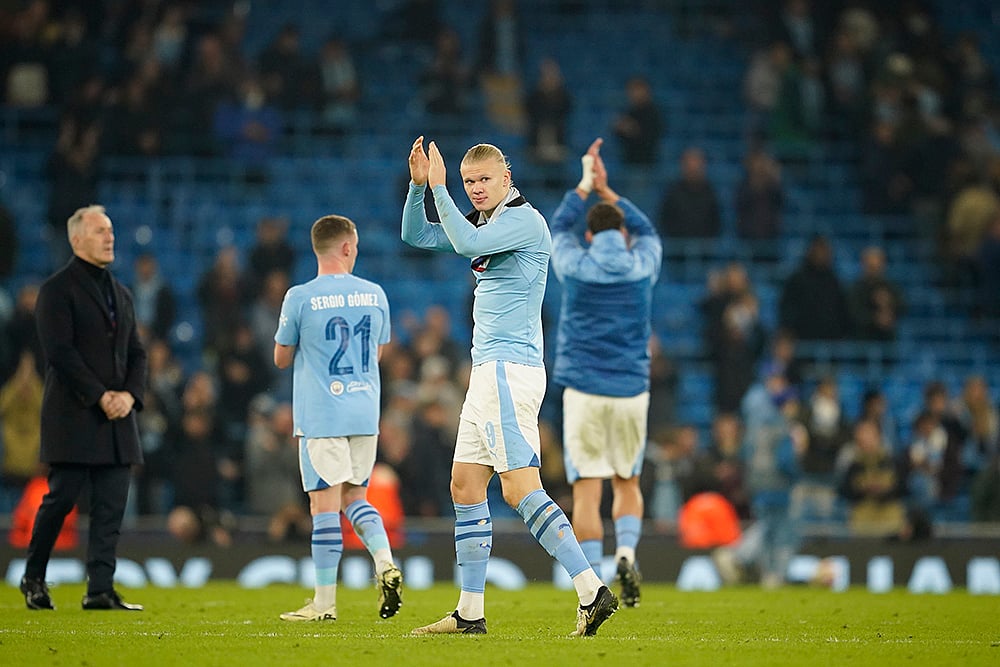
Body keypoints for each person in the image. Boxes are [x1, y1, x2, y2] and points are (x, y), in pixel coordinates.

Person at [402, 136, 617, 636]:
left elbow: (465, 245)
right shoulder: (485, 222)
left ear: (507, 178)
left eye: (484, 180)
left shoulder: (524, 221)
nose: (475, 188)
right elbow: (417, 235)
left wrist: (441, 189)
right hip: (488, 371)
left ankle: (591, 590)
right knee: (464, 483)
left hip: (508, 369)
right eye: (468, 181)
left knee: (520, 488)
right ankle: (469, 613)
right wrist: (418, 188)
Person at [549, 137, 662, 608]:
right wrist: (608, 191)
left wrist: (583, 185)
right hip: (631, 389)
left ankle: (595, 584)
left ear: (591, 237)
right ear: (623, 233)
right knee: (627, 481)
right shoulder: (642, 265)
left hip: (584, 390)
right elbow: (648, 229)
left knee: (587, 491)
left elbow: (558, 228)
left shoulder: (576, 265)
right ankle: (627, 554)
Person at [274, 214, 403, 623]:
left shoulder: (300, 296)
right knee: (356, 499)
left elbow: (281, 358)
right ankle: (385, 562)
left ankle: (324, 603)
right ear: (347, 247)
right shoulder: (375, 293)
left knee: (324, 505)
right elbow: (377, 354)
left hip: (321, 414)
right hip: (364, 412)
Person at [20, 205, 147, 612]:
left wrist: (129, 396)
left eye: (110, 230)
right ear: (76, 240)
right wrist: (100, 396)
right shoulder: (57, 290)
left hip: (117, 418)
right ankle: (33, 578)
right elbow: (59, 353)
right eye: (99, 231)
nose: (109, 237)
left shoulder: (121, 293)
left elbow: (137, 353)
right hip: (74, 415)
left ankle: (100, 589)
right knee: (60, 501)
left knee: (111, 508)